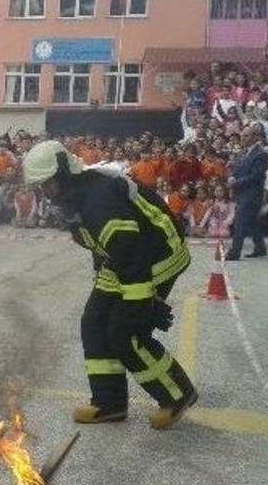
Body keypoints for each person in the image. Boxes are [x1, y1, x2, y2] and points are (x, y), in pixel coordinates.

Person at [22, 140, 197, 429]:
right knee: (94, 321)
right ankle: (109, 403)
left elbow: (131, 254)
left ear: (64, 175)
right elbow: (102, 245)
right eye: (39, 186)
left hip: (157, 256)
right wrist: (104, 287)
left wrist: (144, 305)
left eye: (46, 184)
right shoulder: (73, 197)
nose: (43, 192)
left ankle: (178, 394)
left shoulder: (97, 200)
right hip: (119, 259)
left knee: (124, 331)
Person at [225, 123, 268, 260]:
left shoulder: (260, 154)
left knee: (240, 222)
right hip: (243, 193)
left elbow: (257, 176)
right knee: (252, 222)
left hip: (252, 194)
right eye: (242, 135)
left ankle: (235, 252)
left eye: (246, 135)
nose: (243, 138)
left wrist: (236, 182)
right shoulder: (245, 152)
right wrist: (232, 176)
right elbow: (239, 169)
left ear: (255, 137)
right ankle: (260, 247)